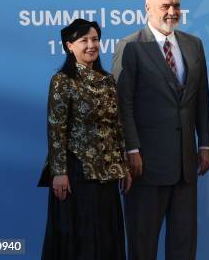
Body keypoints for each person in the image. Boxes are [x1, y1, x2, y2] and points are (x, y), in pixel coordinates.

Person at [112, 0, 209, 260]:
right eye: (165, 6)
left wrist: (205, 143)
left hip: (185, 165)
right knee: (142, 245)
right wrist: (131, 150)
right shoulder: (130, 46)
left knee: (184, 245)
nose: (172, 12)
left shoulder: (193, 44)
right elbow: (123, 104)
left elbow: (201, 98)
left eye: (176, 5)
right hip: (146, 167)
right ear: (147, 9)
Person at [39, 18, 131, 260]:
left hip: (108, 173)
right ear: (70, 46)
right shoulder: (62, 81)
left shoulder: (108, 79)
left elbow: (116, 126)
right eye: (84, 40)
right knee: (80, 241)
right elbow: (56, 128)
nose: (91, 45)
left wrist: (124, 167)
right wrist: (59, 172)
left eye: (95, 39)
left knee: (107, 238)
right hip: (77, 173)